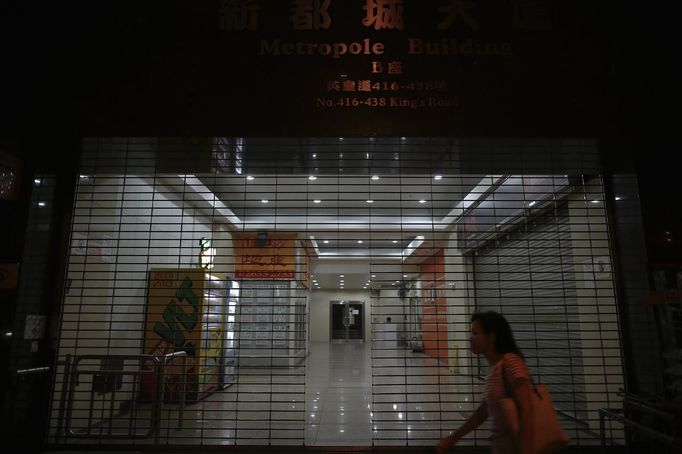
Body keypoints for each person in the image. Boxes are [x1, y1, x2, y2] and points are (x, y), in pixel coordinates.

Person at [436, 311, 535, 454]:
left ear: (491, 336)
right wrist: (453, 438)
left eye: (475, 333)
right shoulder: (495, 368)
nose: (470, 339)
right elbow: (482, 413)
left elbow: (528, 410)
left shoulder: (510, 363)